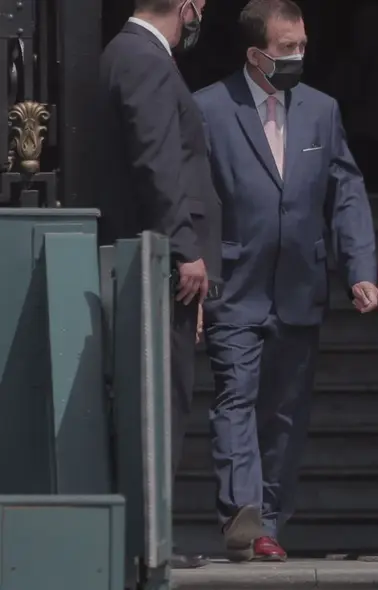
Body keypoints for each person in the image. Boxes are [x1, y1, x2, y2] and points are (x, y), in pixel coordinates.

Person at [193, 0, 378, 562]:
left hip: (299, 285)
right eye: (286, 48)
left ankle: (269, 520)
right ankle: (242, 513)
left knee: (283, 412)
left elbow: (344, 190)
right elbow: (197, 200)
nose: (298, 55)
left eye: (302, 44)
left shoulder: (321, 110)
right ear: (256, 55)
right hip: (235, 282)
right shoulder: (208, 108)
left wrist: (360, 268)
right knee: (235, 397)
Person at [97, 0, 228, 570]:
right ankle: (150, 543)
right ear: (185, 5)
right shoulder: (146, 59)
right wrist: (185, 247)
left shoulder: (124, 53)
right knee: (161, 400)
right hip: (161, 264)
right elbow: (158, 160)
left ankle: (146, 540)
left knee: (157, 397)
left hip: (152, 259)